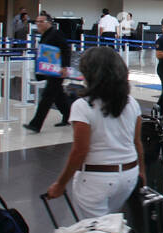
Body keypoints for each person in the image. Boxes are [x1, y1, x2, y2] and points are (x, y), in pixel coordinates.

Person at [46, 46, 145, 221]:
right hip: (129, 175)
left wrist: (61, 183)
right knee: (111, 225)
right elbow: (137, 142)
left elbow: (79, 151)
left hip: (96, 180)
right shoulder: (132, 103)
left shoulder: (83, 106)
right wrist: (142, 172)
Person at [25, 11, 72, 133]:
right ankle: (69, 115)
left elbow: (66, 49)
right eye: (37, 22)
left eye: (41, 22)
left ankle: (36, 124)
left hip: (57, 71)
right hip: (51, 70)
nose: (38, 24)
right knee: (58, 95)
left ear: (49, 23)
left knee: (47, 96)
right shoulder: (46, 34)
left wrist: (64, 67)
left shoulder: (55, 34)